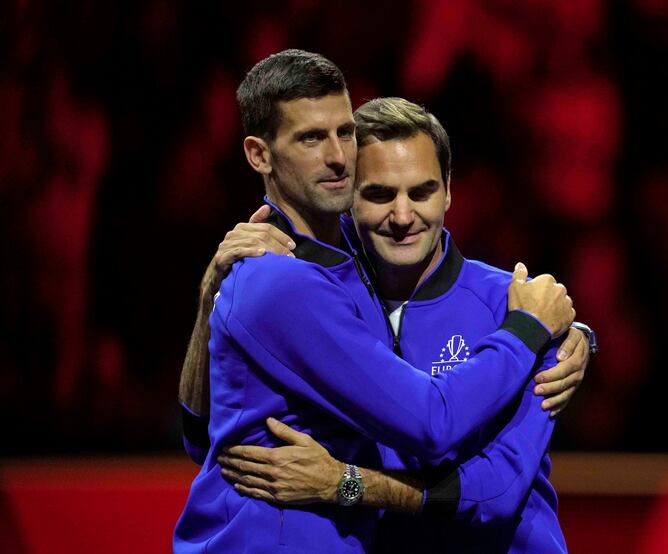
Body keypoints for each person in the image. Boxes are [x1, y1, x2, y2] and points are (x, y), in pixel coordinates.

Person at [173, 50, 575, 554]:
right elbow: (204, 439)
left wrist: (570, 336)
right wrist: (212, 293)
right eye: (311, 138)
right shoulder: (289, 281)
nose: (337, 156)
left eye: (344, 133)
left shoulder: (513, 302)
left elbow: (498, 490)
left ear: (450, 191)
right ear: (259, 155)